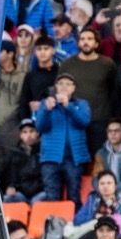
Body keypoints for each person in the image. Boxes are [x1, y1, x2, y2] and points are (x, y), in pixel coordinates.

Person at [35, 72, 91, 204]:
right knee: (52, 197)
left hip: (73, 159)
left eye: (68, 84)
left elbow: (84, 121)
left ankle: (73, 224)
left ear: (74, 88)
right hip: (50, 158)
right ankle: (54, 224)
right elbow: (41, 127)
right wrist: (47, 111)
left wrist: (68, 106)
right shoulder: (46, 104)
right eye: (61, 84)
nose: (64, 87)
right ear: (56, 87)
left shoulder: (82, 104)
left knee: (74, 197)